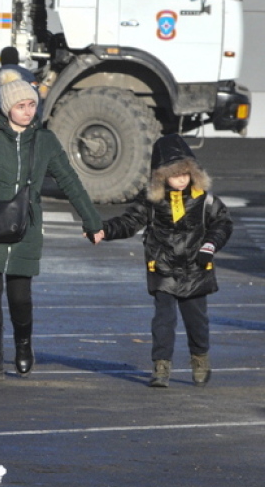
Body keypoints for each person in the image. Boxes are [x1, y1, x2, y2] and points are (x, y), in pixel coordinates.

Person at [0, 70, 102, 381]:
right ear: (7, 108)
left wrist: (91, 220)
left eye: (32, 105)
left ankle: (23, 347)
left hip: (25, 229)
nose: (28, 111)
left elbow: (69, 181)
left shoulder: (44, 141)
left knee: (20, 296)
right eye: (21, 106)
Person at [92, 135, 233, 388]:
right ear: (160, 176)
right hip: (163, 268)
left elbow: (223, 223)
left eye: (185, 173)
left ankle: (199, 357)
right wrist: (105, 230)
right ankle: (161, 366)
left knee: (197, 322)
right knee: (163, 321)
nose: (181, 179)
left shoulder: (205, 199)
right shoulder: (152, 201)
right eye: (174, 174)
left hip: (196, 269)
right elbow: (129, 222)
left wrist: (209, 246)